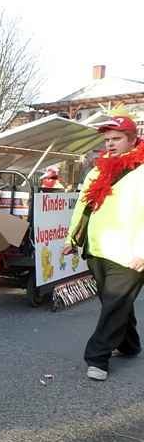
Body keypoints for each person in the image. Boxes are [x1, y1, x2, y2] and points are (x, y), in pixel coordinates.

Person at [64, 115, 144, 381]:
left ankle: (97, 358)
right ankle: (130, 345)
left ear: (133, 139)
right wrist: (72, 239)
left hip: (129, 251)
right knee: (116, 304)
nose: (109, 144)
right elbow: (83, 207)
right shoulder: (98, 170)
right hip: (97, 248)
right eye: (107, 139)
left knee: (114, 304)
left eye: (116, 138)